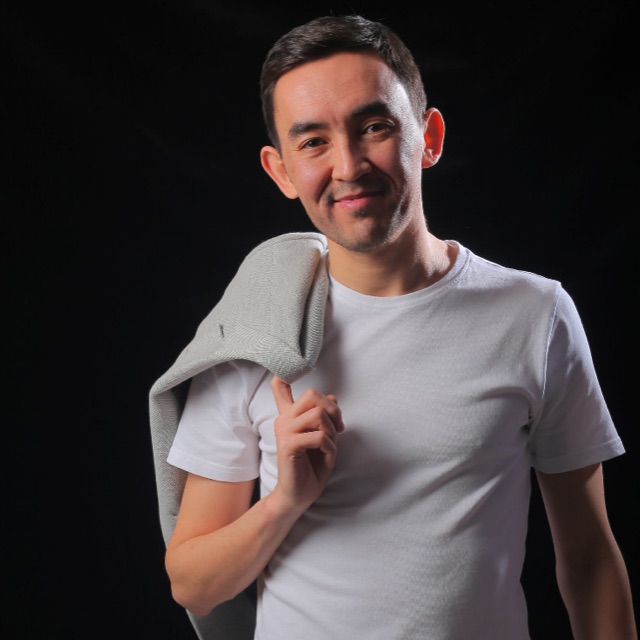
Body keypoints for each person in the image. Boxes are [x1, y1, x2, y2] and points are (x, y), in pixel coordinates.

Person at [148, 14, 637, 640]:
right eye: (313, 142)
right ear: (281, 171)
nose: (349, 165)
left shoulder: (535, 314)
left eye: (373, 127)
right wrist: (285, 502)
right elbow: (192, 584)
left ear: (428, 137)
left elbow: (591, 561)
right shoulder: (256, 333)